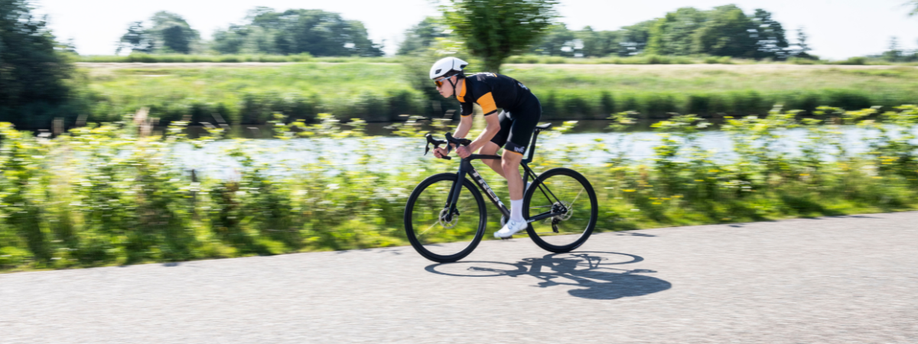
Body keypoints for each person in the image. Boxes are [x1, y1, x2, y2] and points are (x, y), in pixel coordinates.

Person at [429, 57, 542, 238]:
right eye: (436, 83)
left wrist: (470, 148)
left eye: (439, 82)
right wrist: (447, 148)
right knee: (487, 153)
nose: (437, 87)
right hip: (511, 110)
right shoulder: (462, 93)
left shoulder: (479, 87)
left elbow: (494, 127)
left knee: (509, 162)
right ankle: (521, 186)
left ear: (453, 77)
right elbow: (465, 124)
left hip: (527, 108)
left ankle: (517, 219)